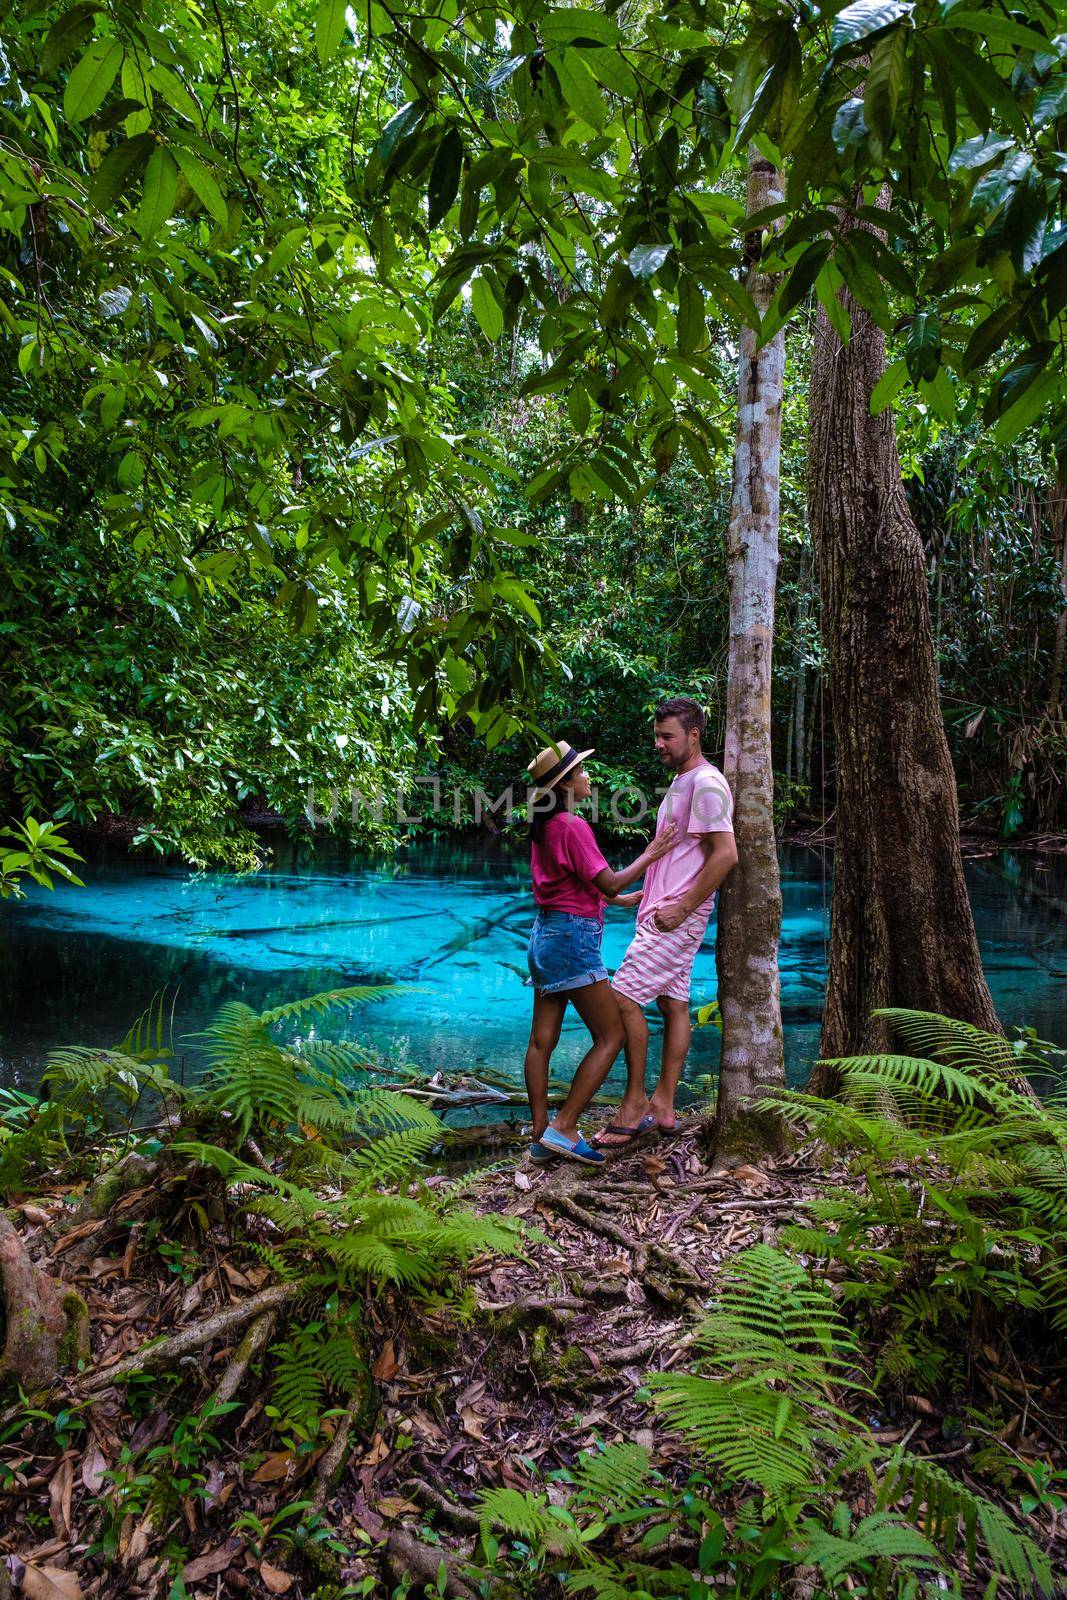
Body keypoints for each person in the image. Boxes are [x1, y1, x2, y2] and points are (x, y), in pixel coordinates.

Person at [523, 739, 678, 1166]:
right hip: (574, 940)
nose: (588, 776)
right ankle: (565, 1127)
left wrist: (622, 901)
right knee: (612, 1035)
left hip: (544, 935)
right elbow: (606, 880)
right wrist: (652, 853)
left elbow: (571, 883)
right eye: (582, 772)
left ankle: (540, 1135)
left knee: (541, 1042)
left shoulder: (544, 825)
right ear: (566, 783)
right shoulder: (572, 825)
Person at [601, 698, 737, 1147]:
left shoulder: (707, 784)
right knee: (674, 1005)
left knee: (620, 997)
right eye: (657, 736)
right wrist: (645, 896)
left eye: (668, 737)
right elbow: (679, 854)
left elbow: (725, 855)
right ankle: (664, 1103)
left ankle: (635, 1101)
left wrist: (681, 909)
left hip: (675, 918)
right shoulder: (682, 780)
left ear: (693, 735)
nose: (659, 743)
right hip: (661, 910)